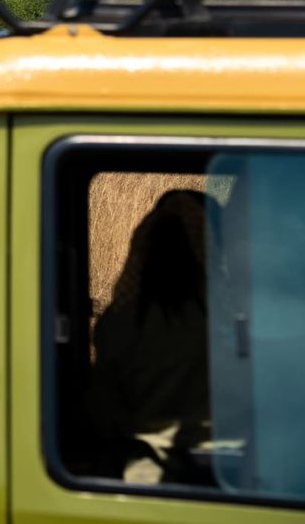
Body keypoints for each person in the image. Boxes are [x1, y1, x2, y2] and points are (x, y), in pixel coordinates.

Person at [86, 189, 213, 482]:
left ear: (144, 249)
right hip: (220, 477)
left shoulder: (118, 324)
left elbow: (103, 416)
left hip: (143, 478)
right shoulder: (232, 324)